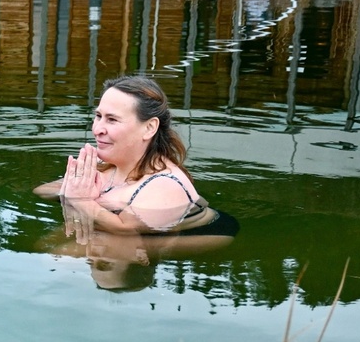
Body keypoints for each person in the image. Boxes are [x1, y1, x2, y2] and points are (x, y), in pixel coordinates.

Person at [34, 75, 238, 240]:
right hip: (120, 232)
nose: (97, 129)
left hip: (199, 235)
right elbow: (41, 191)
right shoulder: (106, 164)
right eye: (98, 116)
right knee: (45, 246)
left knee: (58, 258)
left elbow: (126, 230)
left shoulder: (164, 184)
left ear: (149, 127)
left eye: (112, 119)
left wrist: (83, 201)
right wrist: (75, 190)